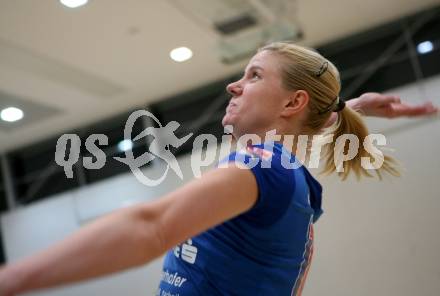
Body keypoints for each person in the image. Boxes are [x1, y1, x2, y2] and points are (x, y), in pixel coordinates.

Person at [0, 42, 437, 296]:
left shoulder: (262, 169)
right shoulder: (290, 175)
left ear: (292, 102)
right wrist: (350, 108)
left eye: (254, 76)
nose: (234, 84)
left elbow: (150, 228)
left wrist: (12, 277)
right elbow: (308, 122)